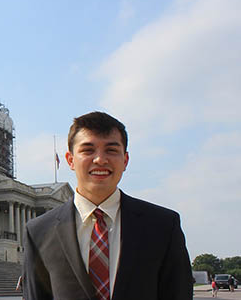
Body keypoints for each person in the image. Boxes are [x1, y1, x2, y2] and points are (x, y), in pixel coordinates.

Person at [22, 111, 192, 300]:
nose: (100, 159)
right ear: (70, 160)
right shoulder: (39, 232)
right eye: (88, 150)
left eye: (111, 150)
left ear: (125, 160)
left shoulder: (163, 226)